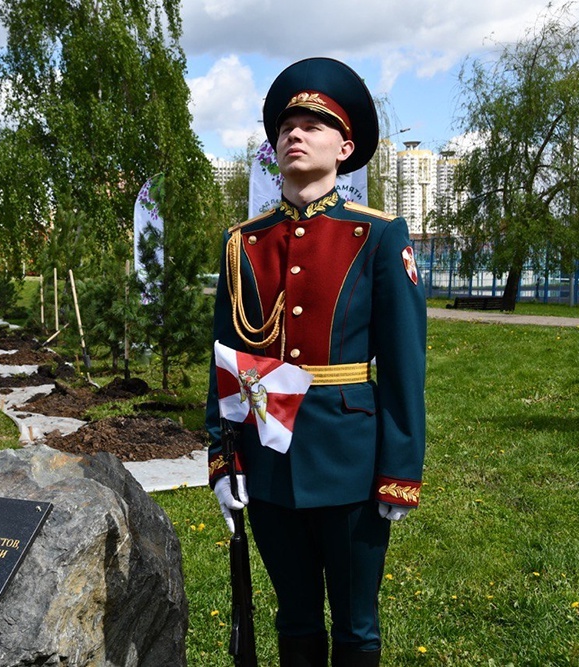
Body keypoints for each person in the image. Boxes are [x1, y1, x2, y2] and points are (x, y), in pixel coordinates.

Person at [206, 58, 427, 667]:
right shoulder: (244, 243)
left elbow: (406, 365)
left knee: (357, 625)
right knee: (295, 616)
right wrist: (223, 457)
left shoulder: (378, 236)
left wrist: (400, 468)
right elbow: (226, 360)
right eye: (285, 126)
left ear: (345, 146)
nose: (294, 134)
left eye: (314, 124)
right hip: (269, 464)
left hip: (352, 461)